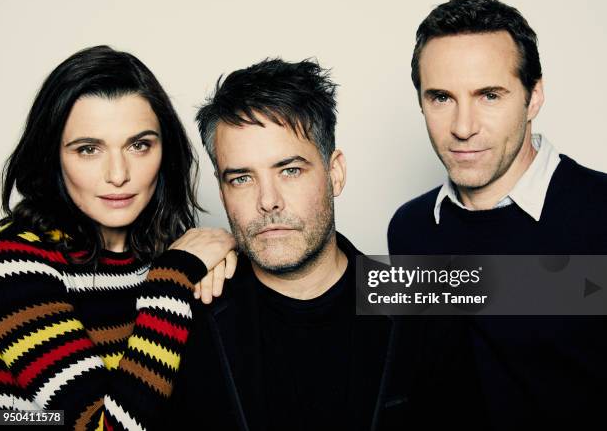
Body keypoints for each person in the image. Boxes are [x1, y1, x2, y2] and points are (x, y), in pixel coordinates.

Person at [162, 58, 476, 431]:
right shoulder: (184, 320)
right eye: (242, 178)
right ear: (222, 190)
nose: (268, 201)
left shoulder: (424, 314)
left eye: (290, 170)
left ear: (335, 173)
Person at [388, 0, 607, 429]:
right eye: (441, 97)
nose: (463, 126)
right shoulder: (410, 229)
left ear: (534, 97)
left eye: (489, 95)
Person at [0, 45, 236, 430]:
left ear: (165, 150)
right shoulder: (16, 256)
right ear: (52, 155)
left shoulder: (169, 248)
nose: (118, 174)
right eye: (88, 149)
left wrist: (219, 248)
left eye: (139, 145)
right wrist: (171, 280)